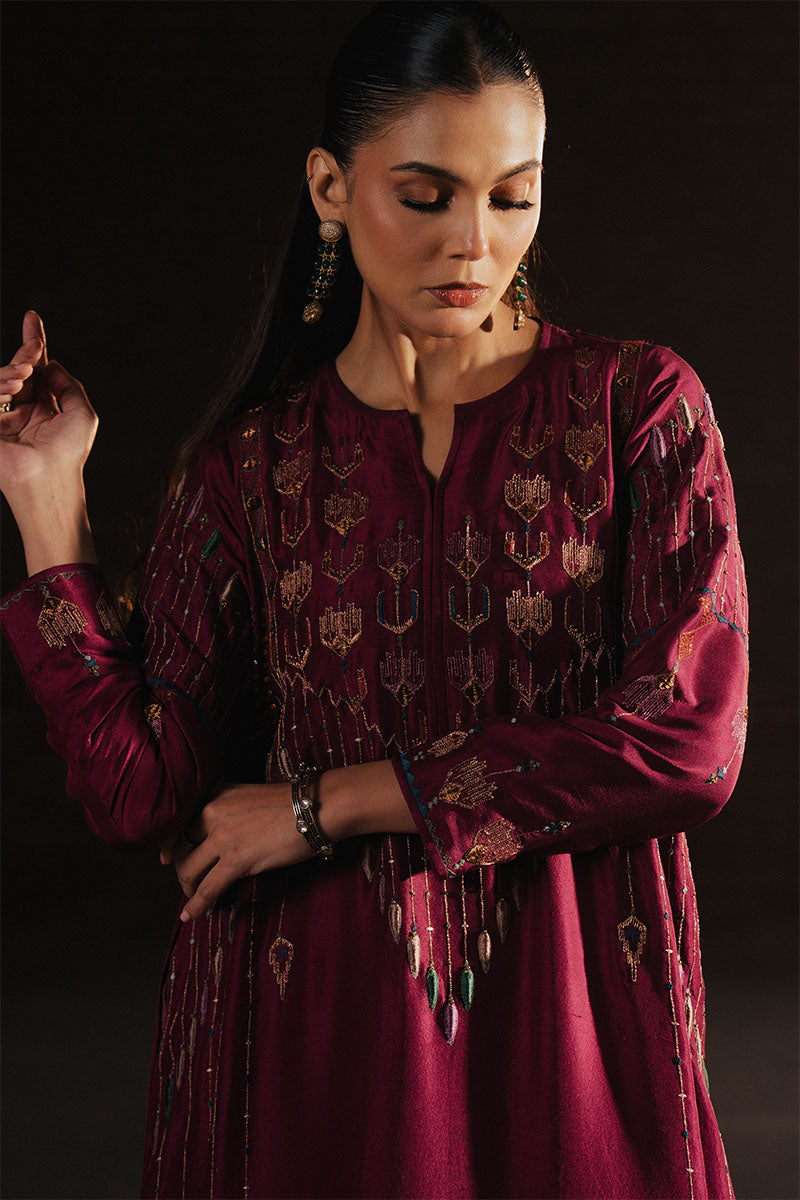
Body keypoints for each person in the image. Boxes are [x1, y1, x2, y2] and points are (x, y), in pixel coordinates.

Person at [0, 3, 749, 1198]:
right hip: (312, 1042)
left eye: (511, 195)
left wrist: (329, 804)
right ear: (328, 187)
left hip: (572, 1036)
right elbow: (145, 792)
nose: (473, 243)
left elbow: (688, 744)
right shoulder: (249, 470)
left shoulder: (636, 412)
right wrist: (48, 502)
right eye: (425, 195)